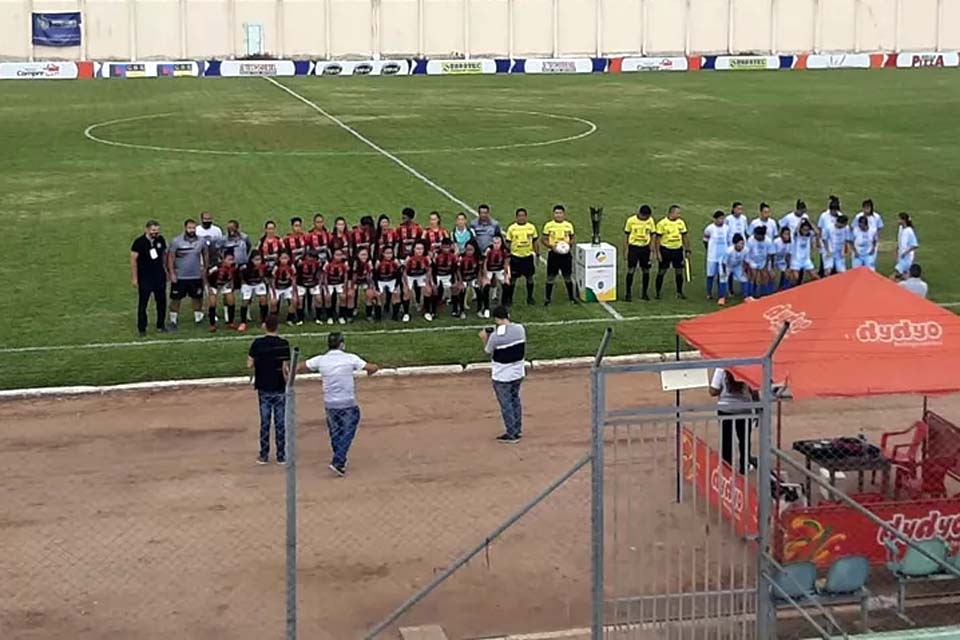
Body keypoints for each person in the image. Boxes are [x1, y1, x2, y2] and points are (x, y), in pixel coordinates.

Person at [299, 332, 380, 476]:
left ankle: (339, 462)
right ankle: (338, 460)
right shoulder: (350, 358)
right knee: (348, 432)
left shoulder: (321, 360)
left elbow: (300, 366)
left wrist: (287, 371)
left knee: (336, 433)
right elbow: (371, 368)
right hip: (348, 403)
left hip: (330, 404)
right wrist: (373, 369)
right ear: (342, 344)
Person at [247, 314, 290, 465]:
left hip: (263, 387)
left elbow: (249, 364)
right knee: (280, 422)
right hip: (279, 387)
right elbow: (286, 369)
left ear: (264, 326)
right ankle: (281, 455)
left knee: (265, 422)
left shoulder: (257, 344)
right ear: (277, 326)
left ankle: (264, 454)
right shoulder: (284, 344)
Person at [480, 305, 527, 444]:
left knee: (506, 403)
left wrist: (485, 338)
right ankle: (517, 429)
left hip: (502, 375)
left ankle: (511, 433)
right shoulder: (520, 329)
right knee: (515, 399)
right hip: (518, 372)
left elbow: (488, 350)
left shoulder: (495, 336)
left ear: (496, 319)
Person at [709, 368, 757, 475]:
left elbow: (713, 391)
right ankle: (744, 467)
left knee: (726, 440)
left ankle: (727, 469)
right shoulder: (747, 367)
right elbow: (754, 391)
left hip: (725, 409)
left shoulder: (721, 369)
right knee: (744, 440)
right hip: (744, 409)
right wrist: (758, 407)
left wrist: (723, 389)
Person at [166, 218, 207, 330]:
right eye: (189, 228)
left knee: (197, 298)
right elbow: (171, 257)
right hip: (180, 276)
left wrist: (205, 269)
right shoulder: (176, 241)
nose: (192, 230)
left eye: (193, 228)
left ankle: (198, 319)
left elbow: (205, 254)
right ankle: (173, 320)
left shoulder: (201, 241)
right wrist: (172, 273)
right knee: (176, 299)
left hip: (196, 275)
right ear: (185, 228)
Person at [130, 220, 168, 337]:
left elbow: (164, 256)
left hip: (159, 276)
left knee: (161, 302)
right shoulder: (139, 242)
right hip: (145, 277)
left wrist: (166, 271)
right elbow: (133, 260)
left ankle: (161, 325)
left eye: (157, 231)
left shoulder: (160, 240)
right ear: (146, 230)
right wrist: (135, 278)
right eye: (153, 231)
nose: (155, 233)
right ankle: (142, 328)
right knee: (143, 304)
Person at [542, 204, 576, 305]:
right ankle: (548, 299)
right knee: (550, 277)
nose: (558, 215)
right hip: (553, 254)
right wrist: (551, 246)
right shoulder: (549, 225)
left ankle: (571, 297)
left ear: (564, 214)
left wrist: (569, 245)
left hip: (566, 255)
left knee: (567, 276)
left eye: (560, 213)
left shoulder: (568, 225)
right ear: (553, 214)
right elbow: (543, 239)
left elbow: (573, 238)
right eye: (556, 213)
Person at [504, 208, 539, 306]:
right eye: (519, 216)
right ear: (516, 217)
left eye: (523, 216)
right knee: (513, 279)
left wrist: (537, 253)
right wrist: (509, 254)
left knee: (530, 278)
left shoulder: (531, 227)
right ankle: (509, 298)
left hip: (527, 256)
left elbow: (535, 241)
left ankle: (530, 297)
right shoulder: (512, 228)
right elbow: (508, 242)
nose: (521, 218)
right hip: (516, 257)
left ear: (526, 217)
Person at [654, 204, 690, 299]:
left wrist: (687, 249)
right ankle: (658, 292)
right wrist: (658, 252)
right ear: (672, 213)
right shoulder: (662, 224)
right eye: (678, 213)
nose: (679, 215)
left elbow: (684, 236)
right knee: (662, 271)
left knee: (679, 271)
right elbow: (657, 239)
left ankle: (679, 292)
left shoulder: (681, 223)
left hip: (677, 250)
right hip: (665, 250)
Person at [624, 204, 658, 301]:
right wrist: (626, 249)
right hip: (634, 248)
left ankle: (644, 293)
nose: (646, 218)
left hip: (645, 248)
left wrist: (652, 249)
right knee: (631, 270)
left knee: (646, 270)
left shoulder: (650, 221)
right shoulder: (631, 221)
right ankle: (628, 293)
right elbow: (626, 235)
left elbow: (653, 235)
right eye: (644, 217)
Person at [207, 250, 239, 332]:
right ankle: (212, 324)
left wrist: (231, 284)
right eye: (229, 259)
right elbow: (206, 275)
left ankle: (230, 322)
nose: (231, 261)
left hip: (225, 284)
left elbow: (233, 276)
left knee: (231, 300)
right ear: (223, 260)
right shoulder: (216, 268)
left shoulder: (234, 267)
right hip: (213, 285)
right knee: (212, 302)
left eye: (232, 259)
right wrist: (208, 287)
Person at [239, 250, 270, 331]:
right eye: (256, 259)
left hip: (259, 283)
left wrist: (263, 276)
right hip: (247, 284)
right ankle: (243, 322)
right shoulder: (245, 267)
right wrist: (243, 284)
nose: (258, 262)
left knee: (263, 299)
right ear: (251, 260)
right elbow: (241, 276)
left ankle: (264, 321)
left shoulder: (264, 267)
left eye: (259, 259)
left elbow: (267, 277)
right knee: (245, 301)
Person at [404, 240, 435, 321]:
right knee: (406, 292)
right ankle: (406, 313)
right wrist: (406, 284)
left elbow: (429, 269)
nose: (419, 250)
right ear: (413, 249)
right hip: (410, 276)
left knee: (428, 290)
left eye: (421, 249)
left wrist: (427, 282)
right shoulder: (409, 258)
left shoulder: (426, 258)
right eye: (417, 249)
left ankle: (427, 312)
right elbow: (404, 272)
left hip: (421, 275)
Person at [481, 234, 510, 318]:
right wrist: (485, 276)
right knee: (485, 287)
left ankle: (504, 307)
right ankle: (486, 308)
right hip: (489, 269)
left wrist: (506, 274)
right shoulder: (488, 250)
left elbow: (506, 262)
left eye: (498, 243)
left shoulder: (504, 250)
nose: (496, 245)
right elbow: (485, 263)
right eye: (494, 243)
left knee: (506, 285)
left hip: (499, 269)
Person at [703, 210, 729, 301]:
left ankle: (721, 294)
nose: (721, 221)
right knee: (710, 275)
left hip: (723, 257)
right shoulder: (709, 228)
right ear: (715, 219)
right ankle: (709, 293)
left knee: (722, 275)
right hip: (712, 256)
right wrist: (709, 250)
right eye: (719, 219)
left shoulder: (727, 228)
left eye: (722, 219)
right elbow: (705, 240)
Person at [374, 245, 403, 322]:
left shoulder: (395, 262)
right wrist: (376, 287)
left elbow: (399, 275)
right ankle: (378, 316)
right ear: (383, 253)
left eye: (390, 253)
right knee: (378, 295)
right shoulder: (378, 262)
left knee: (396, 294)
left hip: (391, 280)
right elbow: (375, 276)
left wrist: (396, 286)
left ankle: (395, 315)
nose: (389, 255)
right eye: (387, 253)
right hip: (381, 280)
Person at [787, 219, 819, 286]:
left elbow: (817, 232)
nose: (805, 231)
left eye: (807, 230)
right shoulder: (797, 236)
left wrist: (809, 221)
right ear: (801, 229)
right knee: (796, 278)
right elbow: (796, 230)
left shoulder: (809, 235)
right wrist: (801, 221)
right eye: (804, 230)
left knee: (815, 276)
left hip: (806, 260)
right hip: (796, 260)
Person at [323, 246, 350, 324]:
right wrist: (327, 290)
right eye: (337, 255)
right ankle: (329, 316)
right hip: (329, 284)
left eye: (340, 255)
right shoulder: (328, 263)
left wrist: (345, 287)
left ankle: (341, 316)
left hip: (340, 283)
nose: (338, 257)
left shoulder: (344, 264)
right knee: (328, 298)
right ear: (333, 255)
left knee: (343, 297)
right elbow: (325, 276)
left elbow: (345, 276)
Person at [271, 251, 299, 325]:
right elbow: (273, 281)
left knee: (294, 301)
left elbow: (294, 279)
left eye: (285, 258)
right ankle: (274, 319)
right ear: (279, 259)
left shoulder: (291, 266)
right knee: (274, 302)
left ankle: (289, 319)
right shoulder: (276, 267)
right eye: (282, 258)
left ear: (289, 258)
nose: (284, 260)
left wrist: (294, 292)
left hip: (287, 287)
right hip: (277, 288)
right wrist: (274, 293)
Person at [817, 195, 842, 277]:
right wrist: (818, 240)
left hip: (836, 242)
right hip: (825, 241)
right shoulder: (824, 216)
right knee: (825, 262)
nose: (834, 212)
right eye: (833, 210)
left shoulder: (839, 216)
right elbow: (820, 228)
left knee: (835, 263)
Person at [745, 225, 772, 298]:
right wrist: (748, 265)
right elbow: (747, 252)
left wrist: (766, 266)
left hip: (763, 260)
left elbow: (769, 254)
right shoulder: (751, 240)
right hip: (752, 260)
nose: (755, 236)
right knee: (753, 277)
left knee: (764, 277)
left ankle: (764, 294)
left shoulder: (768, 241)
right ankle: (750, 294)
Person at [721, 233, 749, 303]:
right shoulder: (729, 251)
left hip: (737, 266)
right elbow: (724, 263)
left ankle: (746, 296)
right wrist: (724, 272)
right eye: (740, 244)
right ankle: (722, 297)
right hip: (727, 266)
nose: (742, 246)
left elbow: (746, 261)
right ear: (735, 244)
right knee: (723, 279)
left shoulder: (746, 250)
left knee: (744, 278)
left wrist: (744, 271)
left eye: (743, 243)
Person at [893, 212, 919, 281]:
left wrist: (906, 252)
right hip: (901, 256)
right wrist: (897, 249)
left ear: (904, 220)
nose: (898, 221)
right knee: (904, 275)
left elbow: (915, 245)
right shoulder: (901, 229)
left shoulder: (909, 231)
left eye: (899, 219)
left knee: (897, 273)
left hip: (907, 258)